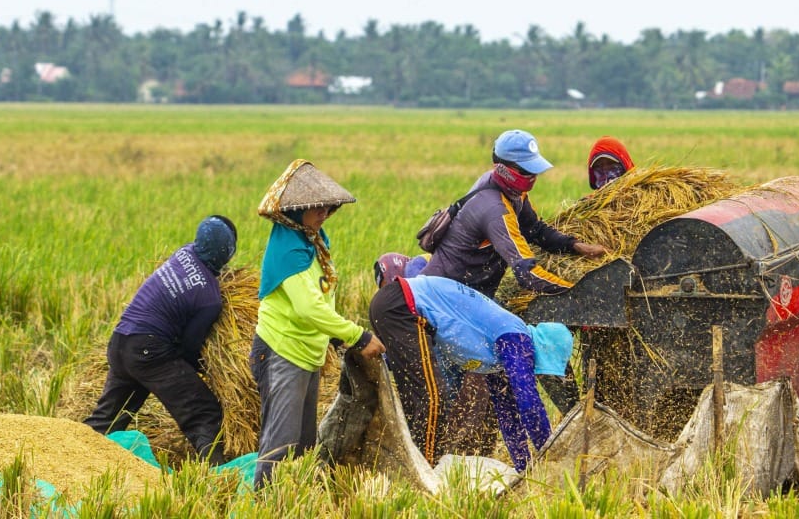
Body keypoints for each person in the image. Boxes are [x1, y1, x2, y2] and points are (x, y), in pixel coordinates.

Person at [249, 159, 385, 487]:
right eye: (317, 208)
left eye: (328, 208)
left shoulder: (313, 240)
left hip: (305, 353)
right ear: (297, 211)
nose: (324, 214)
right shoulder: (288, 249)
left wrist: (334, 338)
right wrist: (357, 336)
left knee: (304, 445)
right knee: (280, 445)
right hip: (283, 352)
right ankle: (263, 504)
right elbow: (309, 308)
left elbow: (323, 296)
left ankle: (293, 502)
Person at [369, 265, 573, 472]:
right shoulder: (515, 337)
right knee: (429, 399)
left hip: (394, 307)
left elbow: (508, 414)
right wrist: (550, 456)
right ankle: (421, 473)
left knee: (418, 400)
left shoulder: (498, 354)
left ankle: (410, 465)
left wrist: (525, 469)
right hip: (403, 304)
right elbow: (528, 403)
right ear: (542, 349)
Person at [85, 215, 238, 464]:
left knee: (108, 419)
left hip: (121, 341)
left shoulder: (184, 253)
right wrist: (206, 372)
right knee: (204, 411)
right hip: (149, 350)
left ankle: (73, 457)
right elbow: (189, 348)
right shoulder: (210, 299)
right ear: (227, 254)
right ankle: (216, 474)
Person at [419, 129, 607, 299]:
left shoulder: (512, 191)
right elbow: (527, 273)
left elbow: (534, 230)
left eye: (534, 170)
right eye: (525, 171)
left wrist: (575, 245)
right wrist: (578, 292)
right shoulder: (494, 210)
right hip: (445, 295)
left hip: (471, 293)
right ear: (502, 168)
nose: (532, 176)